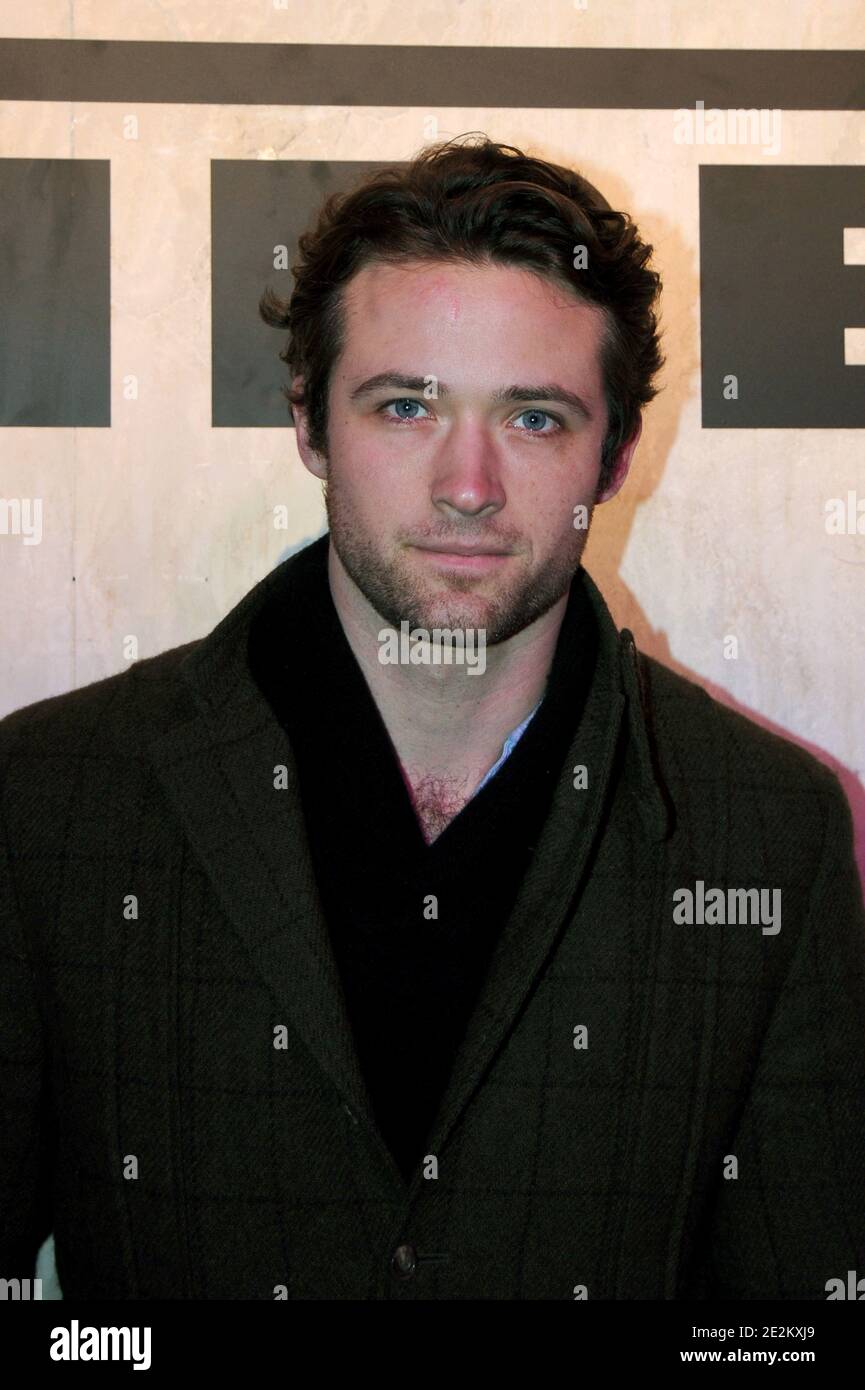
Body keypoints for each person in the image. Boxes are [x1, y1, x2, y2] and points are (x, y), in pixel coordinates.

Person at [1, 134, 863, 1301]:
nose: (467, 486)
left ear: (614, 456)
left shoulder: (768, 831)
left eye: (534, 418)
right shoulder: (50, 796)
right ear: (309, 427)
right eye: (406, 406)